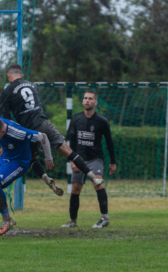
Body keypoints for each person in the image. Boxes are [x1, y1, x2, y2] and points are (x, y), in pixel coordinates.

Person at [0, 64, 104, 191]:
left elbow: (6, 120)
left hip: (27, 131)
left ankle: (46, 178)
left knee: (33, 159)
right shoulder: (33, 86)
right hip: (43, 123)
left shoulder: (7, 92)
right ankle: (93, 176)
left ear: (8, 76)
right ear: (22, 75)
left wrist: (2, 143)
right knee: (68, 151)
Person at [61, 90, 116, 228]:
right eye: (85, 98)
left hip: (95, 159)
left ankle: (104, 218)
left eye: (90, 98)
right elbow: (71, 141)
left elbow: (109, 142)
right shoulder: (75, 119)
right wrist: (72, 160)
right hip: (79, 159)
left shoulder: (102, 121)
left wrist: (113, 162)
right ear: (82, 101)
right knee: (75, 188)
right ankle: (73, 221)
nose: (87, 100)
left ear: (95, 102)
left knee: (98, 183)